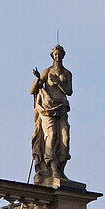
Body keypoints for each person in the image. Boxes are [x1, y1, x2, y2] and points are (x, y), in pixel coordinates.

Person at [30, 44, 73, 181]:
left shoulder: (67, 73)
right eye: (55, 54)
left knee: (65, 138)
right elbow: (32, 90)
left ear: (63, 55)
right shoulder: (46, 71)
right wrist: (38, 79)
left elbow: (69, 91)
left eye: (60, 54)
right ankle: (53, 168)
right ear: (52, 56)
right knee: (52, 136)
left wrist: (58, 83)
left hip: (61, 108)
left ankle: (61, 169)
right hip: (48, 109)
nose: (58, 56)